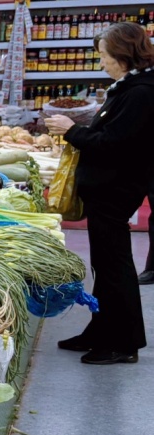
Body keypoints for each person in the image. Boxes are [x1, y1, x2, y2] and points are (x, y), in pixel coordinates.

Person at [43, 22, 154, 365]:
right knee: (104, 266)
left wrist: (72, 130)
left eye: (105, 55)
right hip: (107, 191)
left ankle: (123, 343)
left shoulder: (141, 93)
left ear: (123, 56)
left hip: (115, 191)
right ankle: (101, 331)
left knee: (116, 266)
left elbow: (114, 146)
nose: (102, 62)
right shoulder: (129, 88)